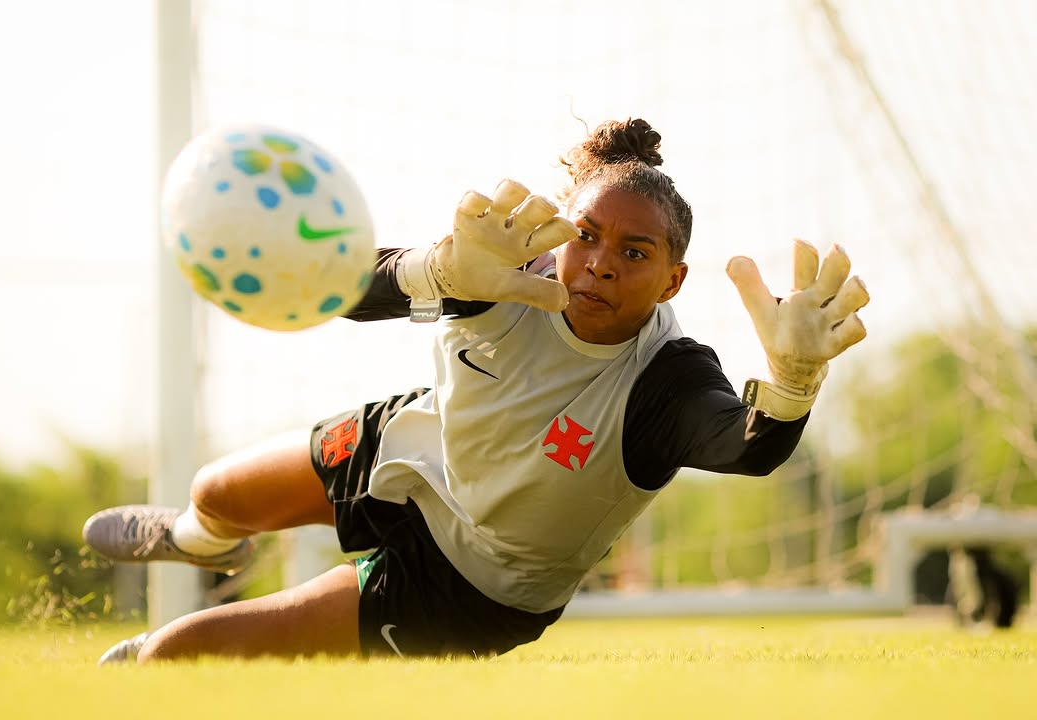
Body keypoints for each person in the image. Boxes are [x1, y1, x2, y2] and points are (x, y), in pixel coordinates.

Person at [83, 118, 870, 663]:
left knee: (178, 655)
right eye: (588, 235)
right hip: (418, 453)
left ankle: (144, 666)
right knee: (213, 492)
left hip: (470, 585)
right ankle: (202, 541)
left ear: (673, 279)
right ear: (563, 228)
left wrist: (794, 381)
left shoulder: (667, 381)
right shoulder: (510, 274)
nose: (599, 263)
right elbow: (345, 287)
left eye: (634, 253)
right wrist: (436, 267)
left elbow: (749, 449)